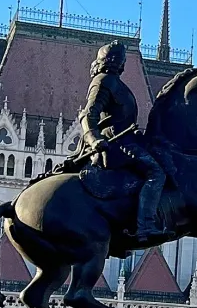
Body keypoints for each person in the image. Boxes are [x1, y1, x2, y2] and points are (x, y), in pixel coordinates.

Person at [66, 41, 167, 239]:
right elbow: (88, 115)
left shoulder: (115, 83)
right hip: (115, 146)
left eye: (119, 59)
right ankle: (145, 226)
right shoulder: (103, 81)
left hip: (126, 140)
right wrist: (94, 139)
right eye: (115, 58)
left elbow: (119, 118)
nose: (118, 62)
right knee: (156, 173)